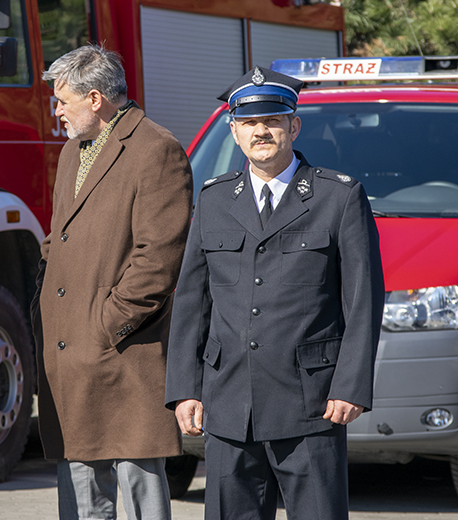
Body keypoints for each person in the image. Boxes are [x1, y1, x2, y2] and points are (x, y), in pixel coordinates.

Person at [165, 66, 385, 520]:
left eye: (272, 121)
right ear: (233, 131)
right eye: (248, 123)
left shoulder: (337, 197)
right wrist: (185, 388)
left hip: (310, 404)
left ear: (294, 126)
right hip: (228, 407)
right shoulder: (213, 199)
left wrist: (350, 386)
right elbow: (192, 301)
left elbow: (363, 301)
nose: (260, 131)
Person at [32, 45, 193, 519]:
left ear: (96, 98)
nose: (56, 111)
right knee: (81, 493)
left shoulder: (156, 149)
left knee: (139, 482)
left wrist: (107, 323)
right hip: (71, 354)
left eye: (63, 101)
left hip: (122, 352)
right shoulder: (71, 151)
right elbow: (60, 235)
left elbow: (159, 257)